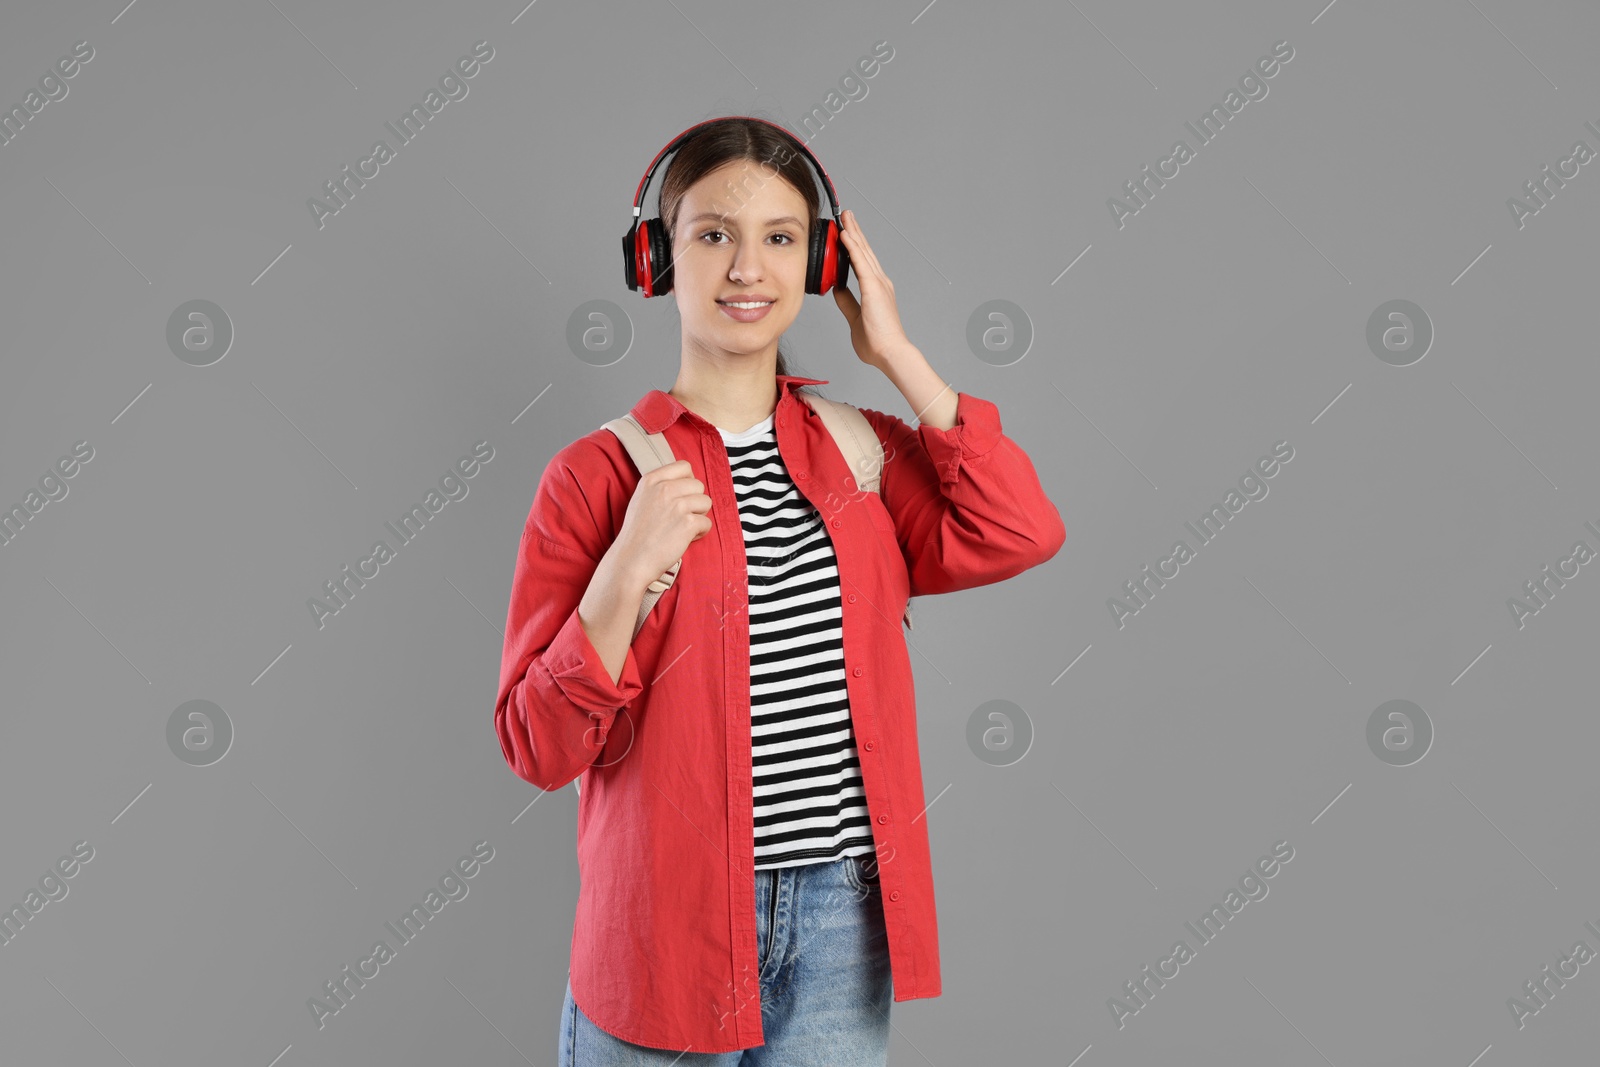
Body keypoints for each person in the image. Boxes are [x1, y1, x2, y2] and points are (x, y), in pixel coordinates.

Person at [494, 116, 1065, 1065]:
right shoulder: (596, 479)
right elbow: (538, 745)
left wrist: (896, 354)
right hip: (664, 922)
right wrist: (625, 570)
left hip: (843, 921)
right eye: (714, 234)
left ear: (818, 261)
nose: (748, 268)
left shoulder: (863, 452)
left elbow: (1019, 526)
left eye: (781, 238)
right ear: (658, 258)